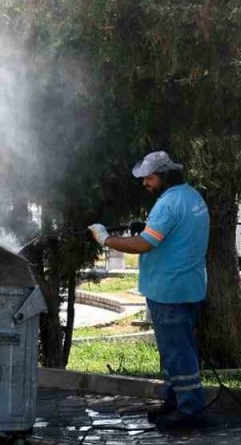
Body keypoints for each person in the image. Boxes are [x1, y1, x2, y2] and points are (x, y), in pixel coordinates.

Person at [88, 151, 210, 429]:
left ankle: (189, 411)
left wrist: (106, 239)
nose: (145, 184)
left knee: (177, 353)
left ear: (165, 177)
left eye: (150, 178)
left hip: (168, 290)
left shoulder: (167, 204)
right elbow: (176, 233)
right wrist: (147, 228)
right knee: (176, 350)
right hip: (188, 286)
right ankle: (176, 402)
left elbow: (144, 245)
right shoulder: (192, 197)